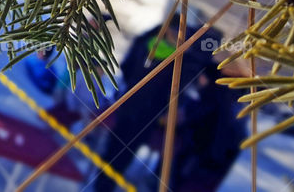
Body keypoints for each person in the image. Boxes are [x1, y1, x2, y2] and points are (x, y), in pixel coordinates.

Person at [93, 23, 245, 192]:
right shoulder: (188, 60)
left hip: (134, 107)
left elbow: (128, 67)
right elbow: (182, 90)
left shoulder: (149, 40)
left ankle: (104, 182)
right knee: (123, 152)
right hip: (150, 115)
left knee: (116, 149)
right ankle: (105, 184)